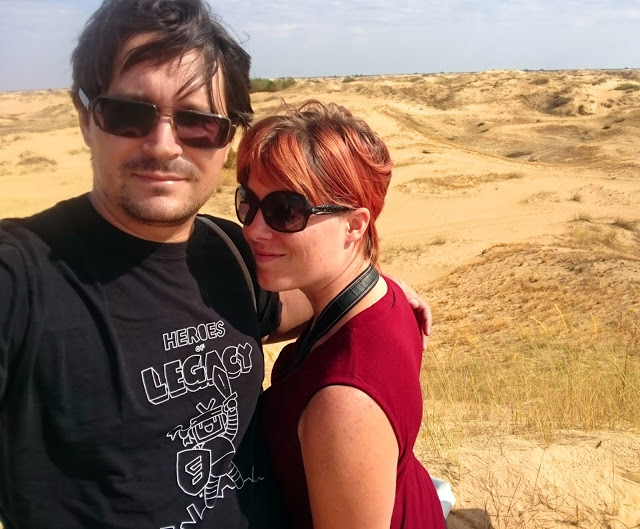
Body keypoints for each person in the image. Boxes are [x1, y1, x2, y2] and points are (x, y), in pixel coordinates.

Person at [0, 1, 431, 528]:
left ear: (226, 138)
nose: (163, 146)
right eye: (128, 113)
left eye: (197, 122)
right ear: (86, 118)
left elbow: (319, 299)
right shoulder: (21, 276)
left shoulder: (233, 253)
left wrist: (380, 289)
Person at [235, 101, 446, 529]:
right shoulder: (380, 298)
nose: (254, 229)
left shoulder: (344, 404)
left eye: (285, 211)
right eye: (248, 203)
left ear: (354, 225)